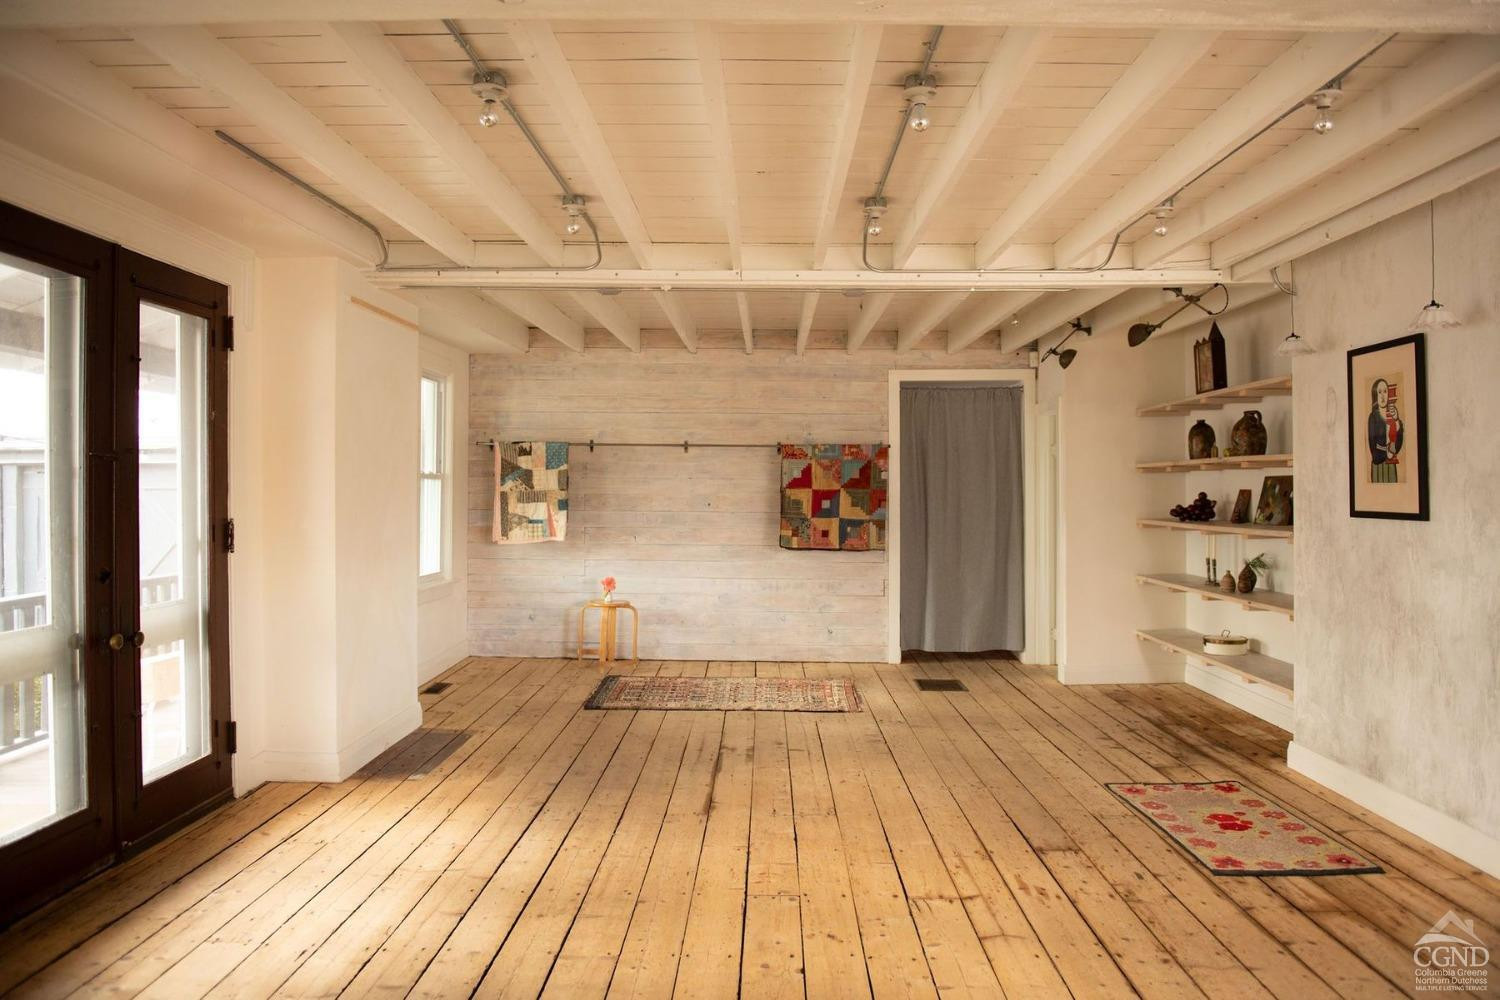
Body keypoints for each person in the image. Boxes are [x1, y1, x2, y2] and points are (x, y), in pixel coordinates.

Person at [1367, 378, 1403, 483]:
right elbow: (1373, 446)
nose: (1383, 396)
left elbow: (1399, 442)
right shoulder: (1373, 417)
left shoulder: (1392, 415)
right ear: (1375, 396)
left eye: (1385, 391)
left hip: (1390, 465)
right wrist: (1386, 453)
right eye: (1379, 392)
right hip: (1379, 465)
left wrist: (1396, 419)